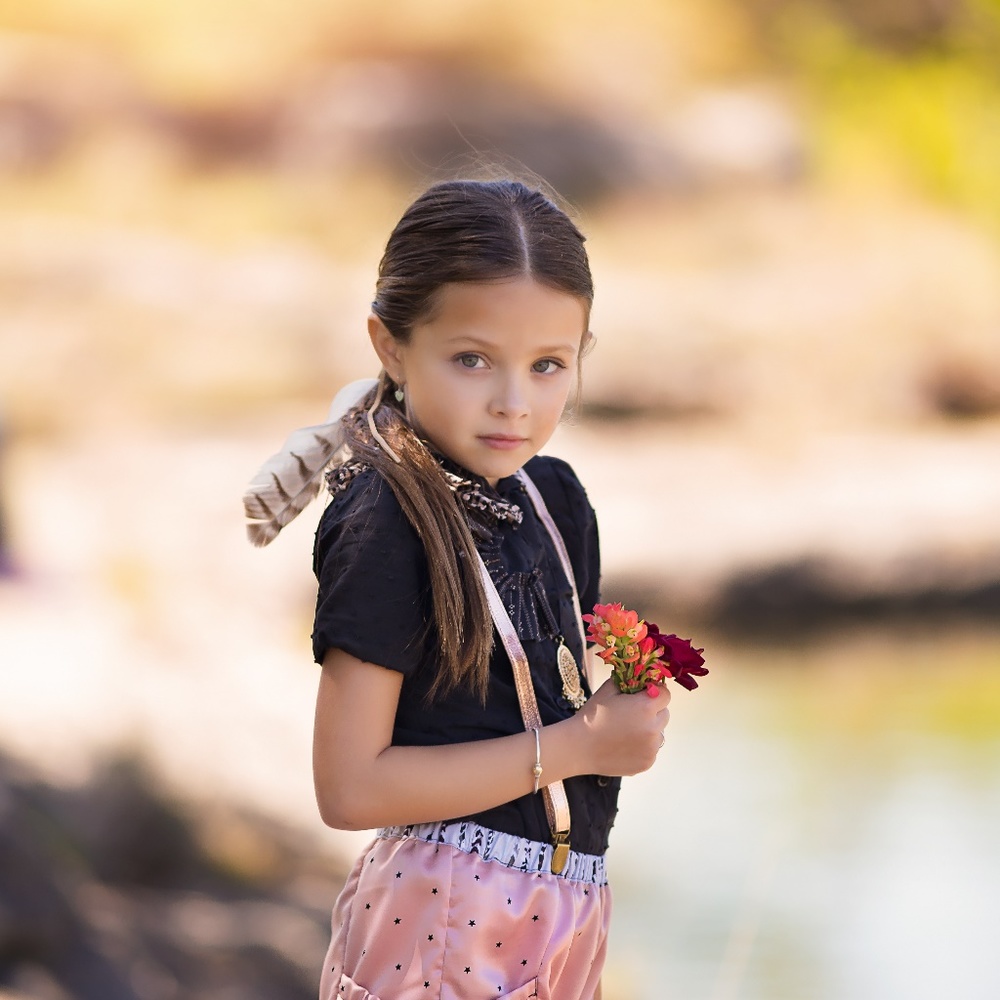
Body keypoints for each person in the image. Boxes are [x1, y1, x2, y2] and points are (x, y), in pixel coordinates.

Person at [248, 179, 671, 1000]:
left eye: (548, 365)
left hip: (567, 909)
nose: (514, 403)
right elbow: (350, 786)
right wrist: (582, 746)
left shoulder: (554, 500)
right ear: (391, 345)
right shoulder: (387, 517)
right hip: (443, 922)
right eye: (473, 359)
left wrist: (622, 711)